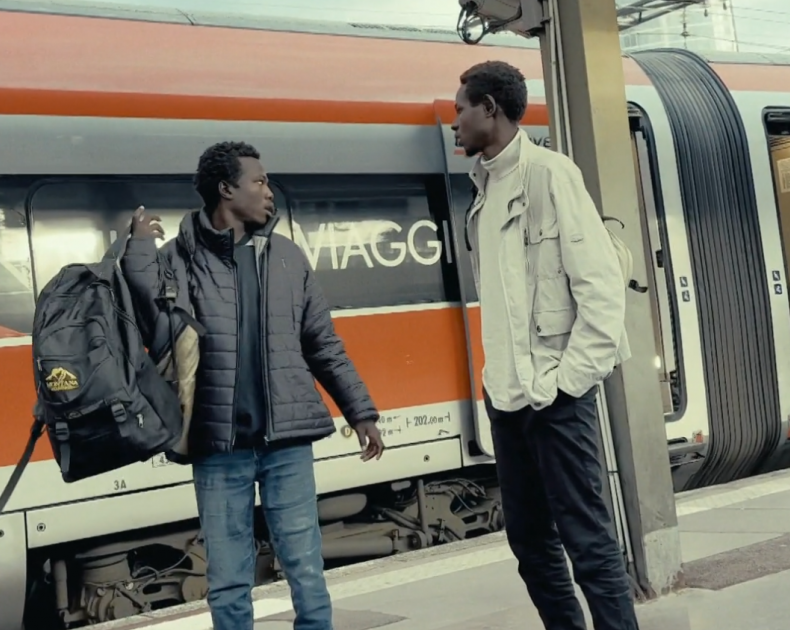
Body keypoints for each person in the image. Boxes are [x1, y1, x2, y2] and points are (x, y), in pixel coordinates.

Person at [120, 141, 385, 630]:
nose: (268, 191)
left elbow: (322, 344)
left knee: (305, 567)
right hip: (218, 445)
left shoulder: (287, 257)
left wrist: (360, 412)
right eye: (259, 181)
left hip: (287, 443)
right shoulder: (178, 258)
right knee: (227, 577)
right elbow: (154, 327)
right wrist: (139, 253)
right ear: (226, 189)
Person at [451, 61, 638, 630]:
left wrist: (567, 382)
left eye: (461, 109)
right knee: (530, 545)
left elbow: (601, 289)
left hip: (554, 395)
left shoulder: (551, 176)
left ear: (490, 109)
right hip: (507, 400)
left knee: (588, 542)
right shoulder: (481, 194)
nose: (454, 121)